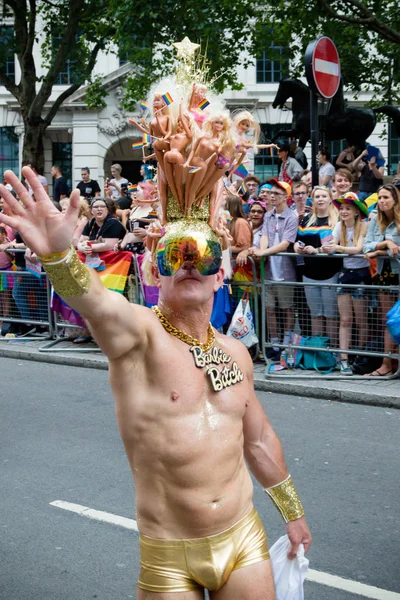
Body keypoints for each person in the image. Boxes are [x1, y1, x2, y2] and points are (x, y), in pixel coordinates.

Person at [0, 167, 311, 598]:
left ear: (219, 275)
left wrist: (293, 513)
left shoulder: (237, 352)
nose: (188, 264)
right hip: (170, 554)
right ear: (152, 273)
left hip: (244, 539)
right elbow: (97, 304)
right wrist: (60, 258)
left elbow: (257, 439)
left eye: (201, 255)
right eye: (172, 256)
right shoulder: (139, 336)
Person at [249, 181, 298, 362]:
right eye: (272, 193)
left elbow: (285, 243)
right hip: (269, 270)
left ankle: (286, 342)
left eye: (277, 193)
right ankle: (274, 343)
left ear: (286, 196)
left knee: (287, 309)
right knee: (269, 309)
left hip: (285, 270)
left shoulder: (292, 217)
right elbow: (265, 237)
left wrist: (263, 252)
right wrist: (262, 252)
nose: (273, 196)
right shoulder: (268, 216)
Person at [324, 193, 370, 375]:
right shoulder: (338, 226)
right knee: (345, 319)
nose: (343, 211)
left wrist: (338, 248)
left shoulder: (364, 226)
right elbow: (332, 244)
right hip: (346, 273)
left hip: (361, 274)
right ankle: (344, 359)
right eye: (341, 208)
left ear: (356, 212)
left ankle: (359, 357)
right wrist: (325, 248)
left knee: (361, 320)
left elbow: (358, 248)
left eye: (347, 208)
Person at [294, 186, 341, 347]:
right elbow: (298, 239)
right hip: (309, 273)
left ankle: (333, 350)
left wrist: (317, 250)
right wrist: (297, 247)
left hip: (330, 273)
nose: (320, 199)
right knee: (315, 314)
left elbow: (333, 245)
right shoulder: (307, 219)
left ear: (330, 199)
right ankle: (318, 350)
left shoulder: (336, 220)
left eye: (323, 196)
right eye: (317, 196)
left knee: (331, 315)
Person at [363, 184, 400, 376]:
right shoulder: (376, 221)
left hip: (397, 273)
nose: (381, 201)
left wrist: (379, 251)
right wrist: (386, 243)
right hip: (385, 275)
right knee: (390, 321)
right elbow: (365, 247)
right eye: (379, 198)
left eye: (386, 197)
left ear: (395, 200)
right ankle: (387, 363)